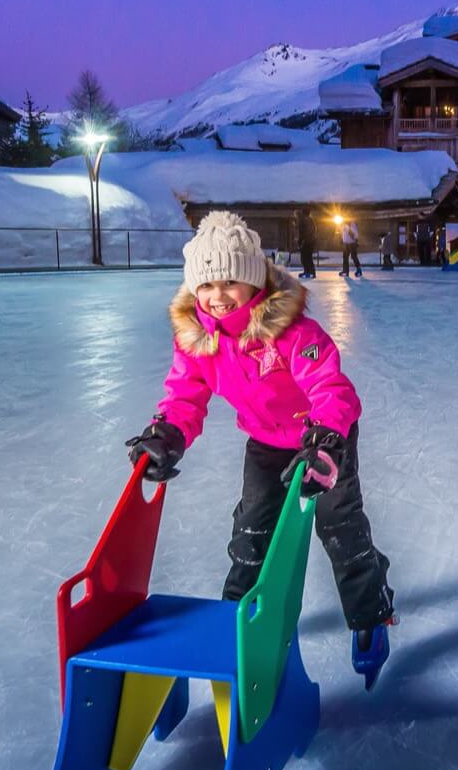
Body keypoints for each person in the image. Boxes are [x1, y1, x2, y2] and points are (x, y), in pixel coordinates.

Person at [126, 211, 397, 685]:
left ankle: (370, 614)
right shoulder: (197, 338)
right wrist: (167, 432)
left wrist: (326, 438)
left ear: (253, 282)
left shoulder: (291, 331)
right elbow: (185, 394)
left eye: (229, 281)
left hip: (322, 441)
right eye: (206, 285)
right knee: (251, 531)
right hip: (268, 443)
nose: (216, 296)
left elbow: (332, 389)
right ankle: (236, 622)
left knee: (340, 528)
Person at [295, 207, 318, 280]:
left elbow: (302, 232)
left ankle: (307, 271)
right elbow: (314, 230)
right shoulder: (311, 220)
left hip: (306, 241)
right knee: (309, 257)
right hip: (311, 241)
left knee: (304, 257)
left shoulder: (303, 220)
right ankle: (312, 271)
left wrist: (300, 241)